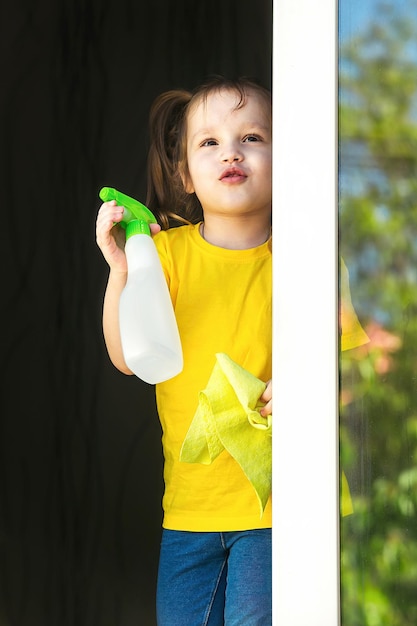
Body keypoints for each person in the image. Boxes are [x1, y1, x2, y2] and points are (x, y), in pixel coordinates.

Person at [96, 76, 272, 625]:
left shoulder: (306, 256)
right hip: (189, 512)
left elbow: (356, 362)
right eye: (210, 143)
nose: (232, 152)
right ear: (184, 176)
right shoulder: (165, 257)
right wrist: (122, 270)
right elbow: (128, 357)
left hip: (273, 509)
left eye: (253, 138)